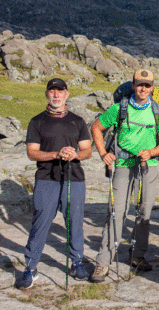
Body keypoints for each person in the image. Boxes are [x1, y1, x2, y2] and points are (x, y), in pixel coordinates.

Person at [90, 69, 159, 282]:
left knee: (144, 212)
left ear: (152, 88)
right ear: (133, 85)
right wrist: (103, 153)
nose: (143, 88)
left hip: (148, 166)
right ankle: (103, 263)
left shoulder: (158, 112)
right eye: (139, 84)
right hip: (123, 165)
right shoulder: (119, 108)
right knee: (116, 212)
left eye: (147, 85)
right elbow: (96, 128)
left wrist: (150, 152)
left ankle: (138, 256)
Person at [16, 78, 92, 289]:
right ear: (47, 94)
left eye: (60, 91)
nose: (56, 95)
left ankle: (77, 263)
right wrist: (56, 154)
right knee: (40, 221)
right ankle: (31, 268)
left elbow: (87, 151)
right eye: (52, 91)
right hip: (46, 178)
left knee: (74, 221)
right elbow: (32, 153)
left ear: (67, 94)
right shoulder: (37, 121)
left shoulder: (77, 121)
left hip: (74, 178)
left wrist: (74, 154)